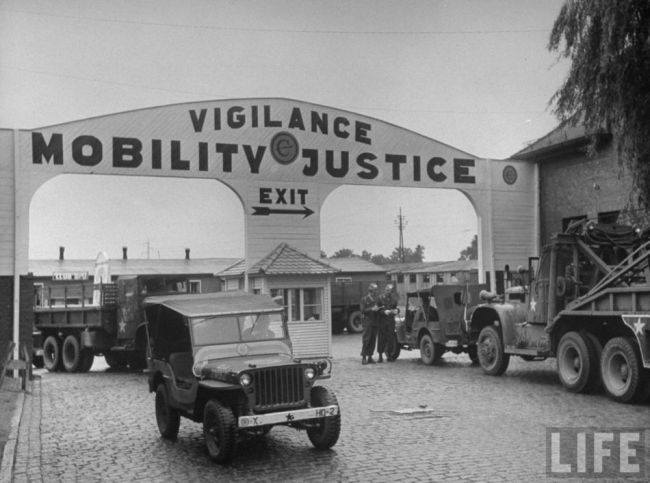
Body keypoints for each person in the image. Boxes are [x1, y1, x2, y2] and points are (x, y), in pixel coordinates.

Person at [377, 283, 399, 362]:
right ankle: (380, 356)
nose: (389, 292)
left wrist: (397, 311)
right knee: (381, 339)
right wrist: (384, 312)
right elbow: (377, 310)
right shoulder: (380, 298)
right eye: (387, 290)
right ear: (385, 290)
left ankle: (389, 355)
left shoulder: (394, 299)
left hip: (390, 321)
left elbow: (396, 308)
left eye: (390, 291)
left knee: (390, 339)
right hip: (382, 321)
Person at [360, 283, 381, 364]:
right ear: (371, 290)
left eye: (376, 290)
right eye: (375, 290)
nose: (376, 292)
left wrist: (378, 309)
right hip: (367, 322)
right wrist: (372, 309)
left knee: (373, 340)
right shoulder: (364, 299)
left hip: (375, 322)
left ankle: (370, 357)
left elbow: (379, 308)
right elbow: (362, 310)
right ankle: (364, 357)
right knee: (366, 339)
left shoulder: (377, 300)